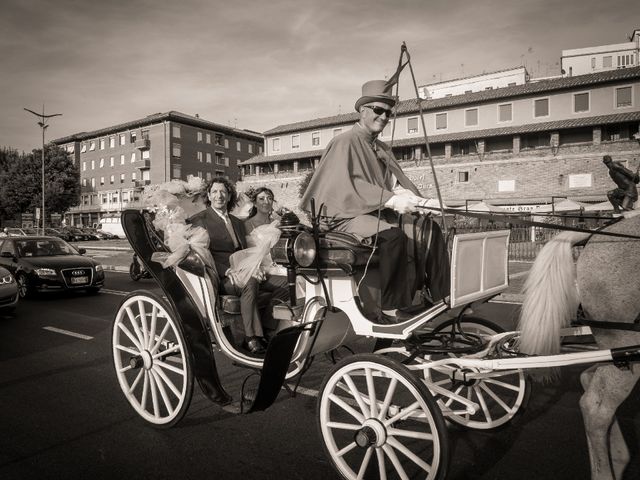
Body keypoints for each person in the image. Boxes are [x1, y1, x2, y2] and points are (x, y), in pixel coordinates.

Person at [300, 79, 432, 322]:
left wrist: (416, 199)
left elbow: (391, 182)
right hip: (343, 216)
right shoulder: (345, 141)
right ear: (363, 111)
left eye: (388, 113)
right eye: (378, 110)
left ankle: (431, 293)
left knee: (425, 229)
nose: (383, 117)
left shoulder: (380, 147)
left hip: (370, 211)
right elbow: (344, 185)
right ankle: (391, 307)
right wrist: (391, 199)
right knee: (394, 238)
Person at [189, 177, 288, 354]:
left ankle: (267, 326)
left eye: (223, 192)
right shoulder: (199, 219)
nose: (219, 195)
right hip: (221, 276)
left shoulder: (236, 222)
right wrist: (226, 270)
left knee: (287, 283)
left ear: (229, 197)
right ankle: (250, 337)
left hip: (245, 269)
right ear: (209, 196)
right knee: (250, 283)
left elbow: (245, 251)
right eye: (215, 192)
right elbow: (201, 253)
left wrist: (255, 267)